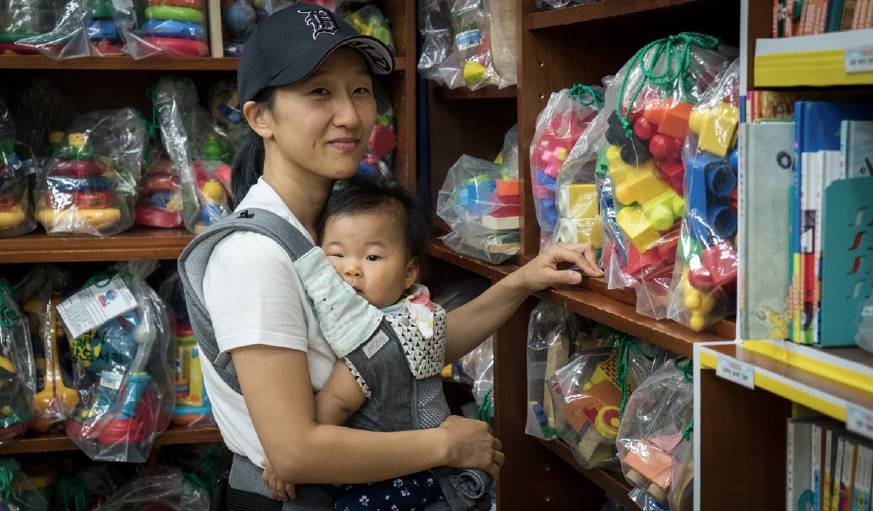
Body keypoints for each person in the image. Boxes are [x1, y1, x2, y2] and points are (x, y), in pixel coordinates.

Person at [177, 5, 603, 510]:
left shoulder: (328, 234)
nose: (351, 115)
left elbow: (396, 351)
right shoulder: (254, 256)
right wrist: (447, 444)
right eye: (319, 92)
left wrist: (523, 281)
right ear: (259, 117)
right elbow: (294, 453)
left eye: (360, 90)